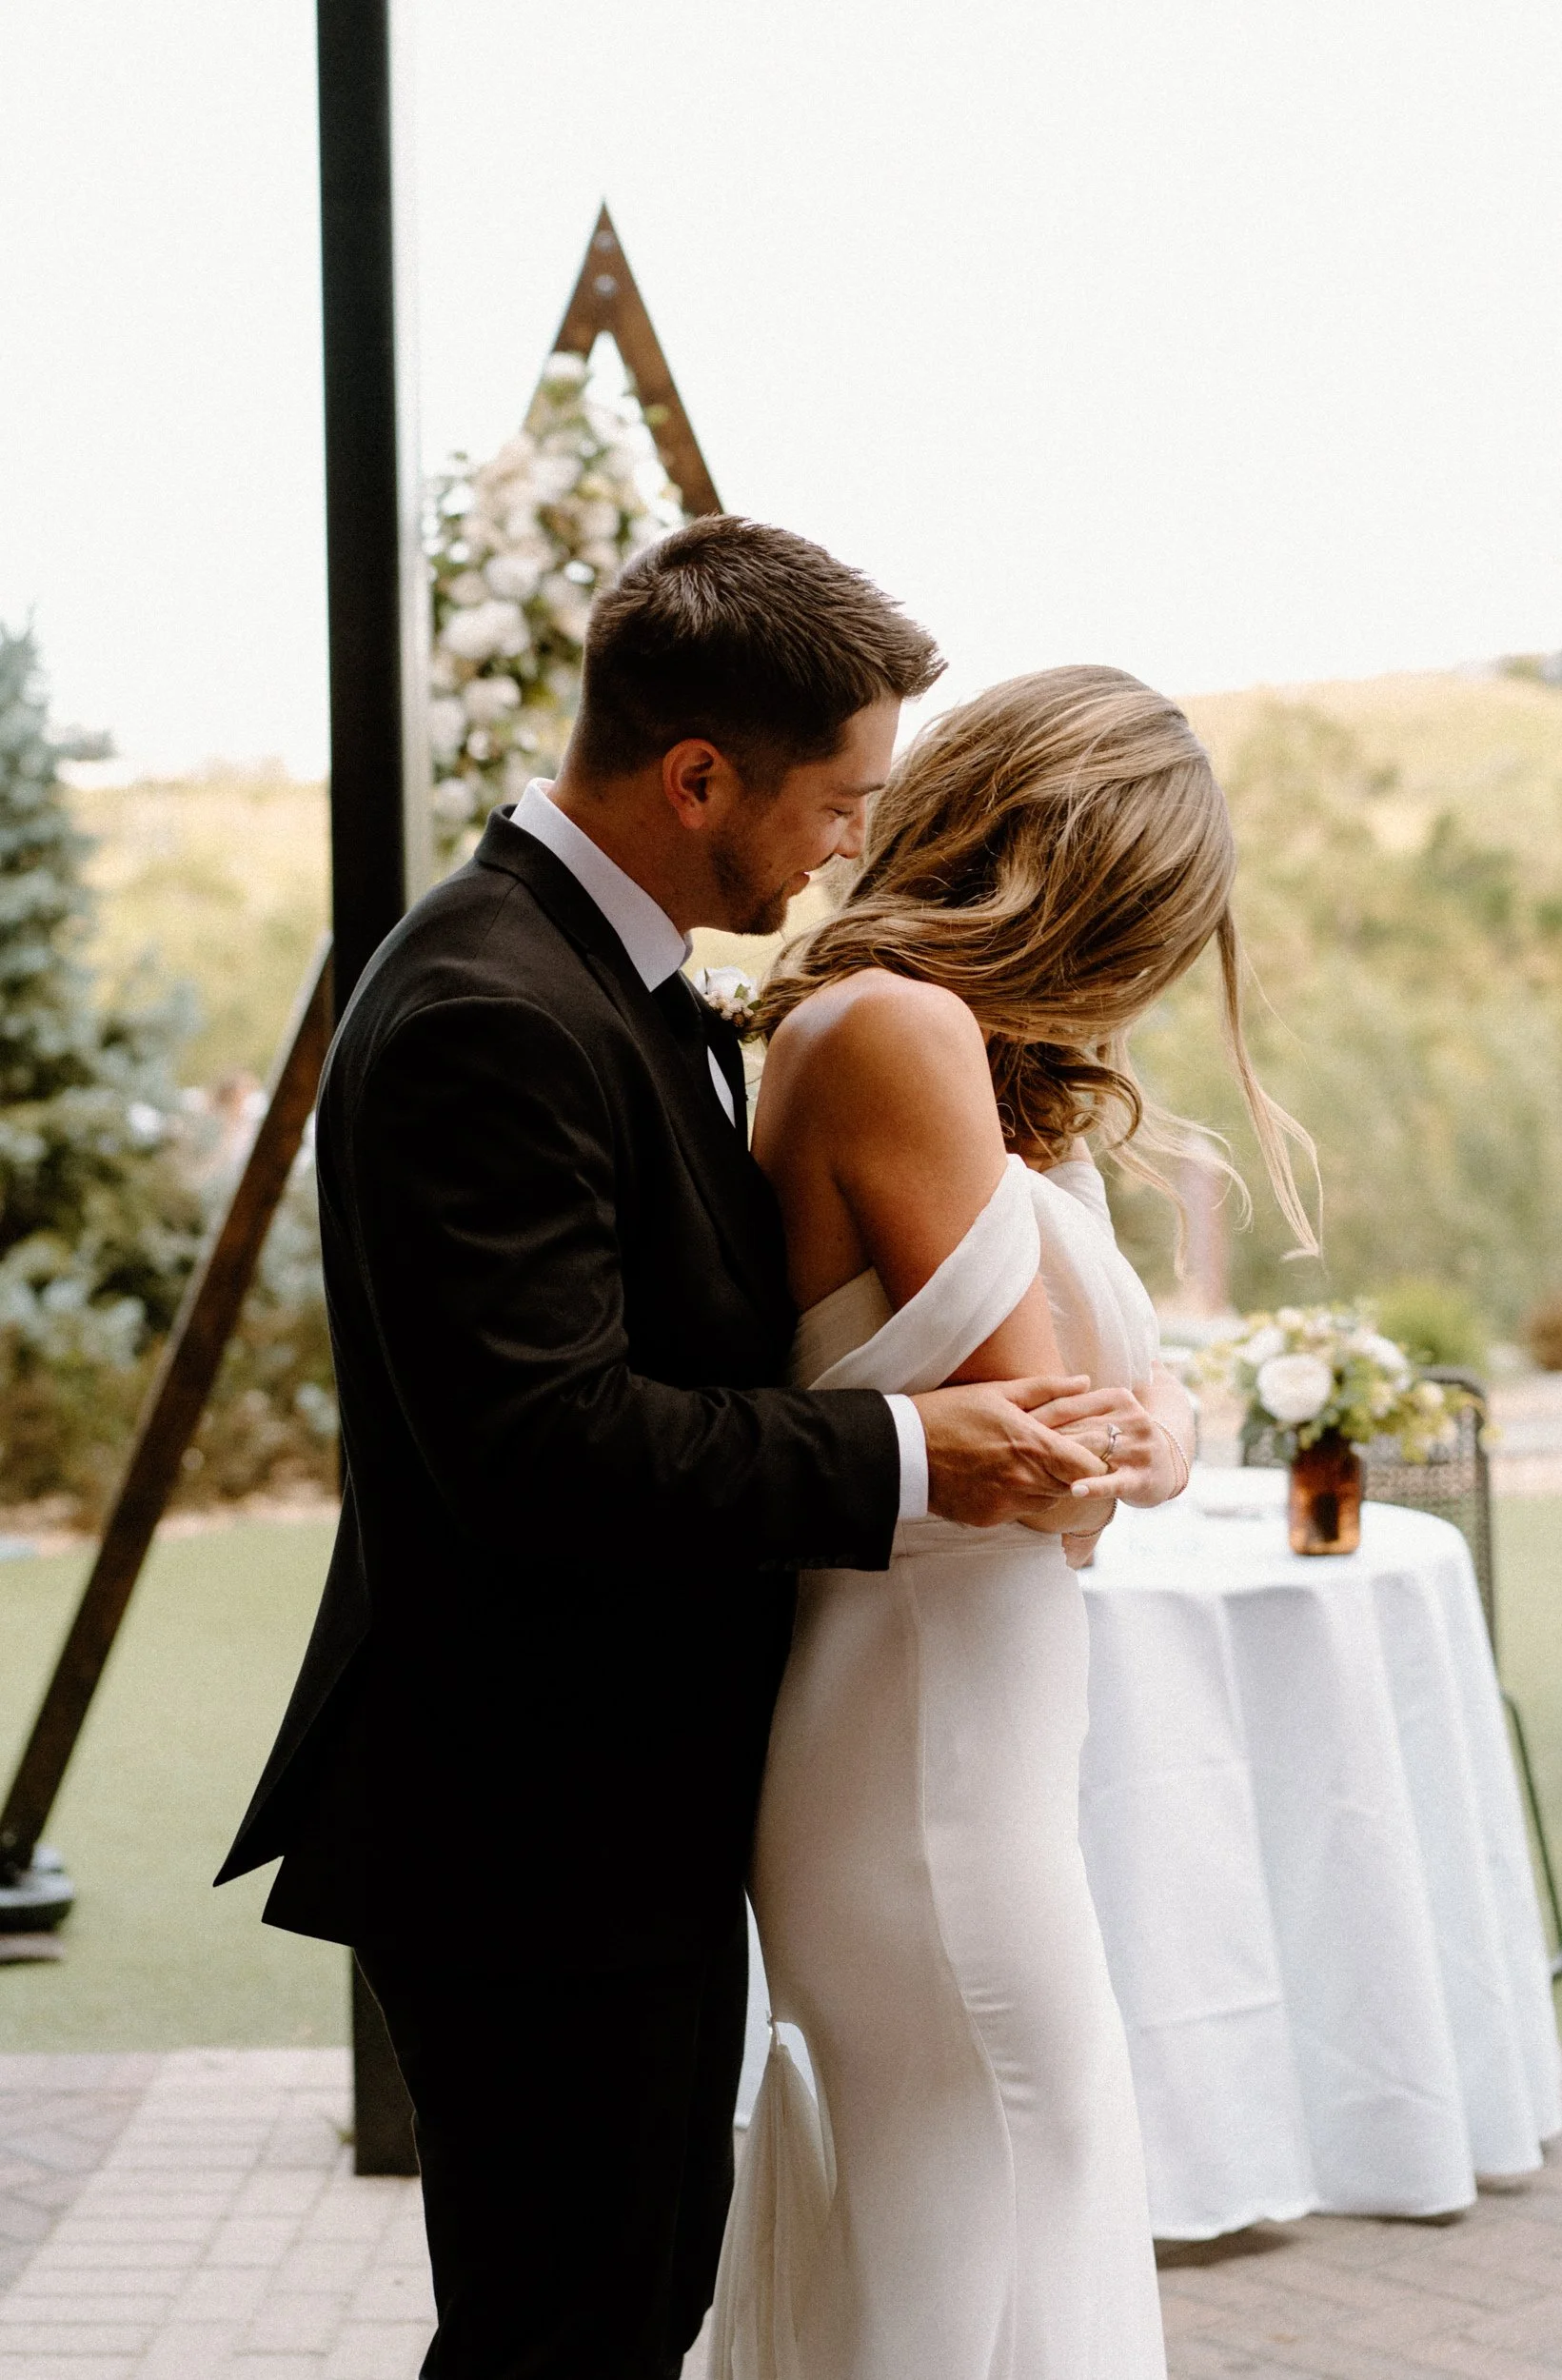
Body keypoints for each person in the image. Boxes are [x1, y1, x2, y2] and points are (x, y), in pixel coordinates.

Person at [216, 520, 1123, 2380]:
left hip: (601, 1807)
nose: (851, 842)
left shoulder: (619, 973)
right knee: (570, 2327)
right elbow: (542, 1442)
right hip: (530, 1822)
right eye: (839, 798)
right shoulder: (489, 1004)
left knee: (615, 2306)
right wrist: (898, 1452)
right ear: (697, 774)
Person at [709, 664, 1315, 2379]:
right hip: (928, 1765)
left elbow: (1103, 1440)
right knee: (1007, 2189)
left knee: (980, 2200)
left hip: (938, 1742)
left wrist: (1160, 1430)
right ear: (1080, 876)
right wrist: (1141, 1441)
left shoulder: (936, 1050)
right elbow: (1054, 1483)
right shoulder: (900, 1032)